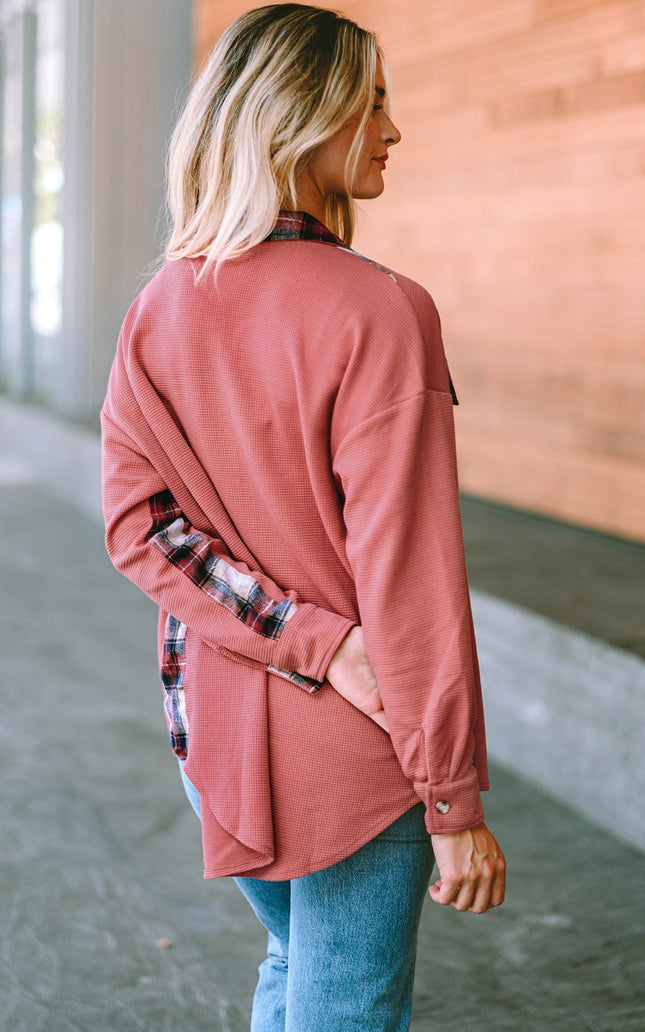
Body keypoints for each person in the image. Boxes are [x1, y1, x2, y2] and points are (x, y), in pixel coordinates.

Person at [101, 4, 506, 1029]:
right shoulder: (381, 310)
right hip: (351, 764)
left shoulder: (161, 304)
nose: (392, 130)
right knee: (344, 1008)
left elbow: (139, 528)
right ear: (301, 116)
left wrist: (297, 637)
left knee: (294, 970)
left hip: (212, 742)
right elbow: (411, 583)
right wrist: (454, 800)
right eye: (372, 103)